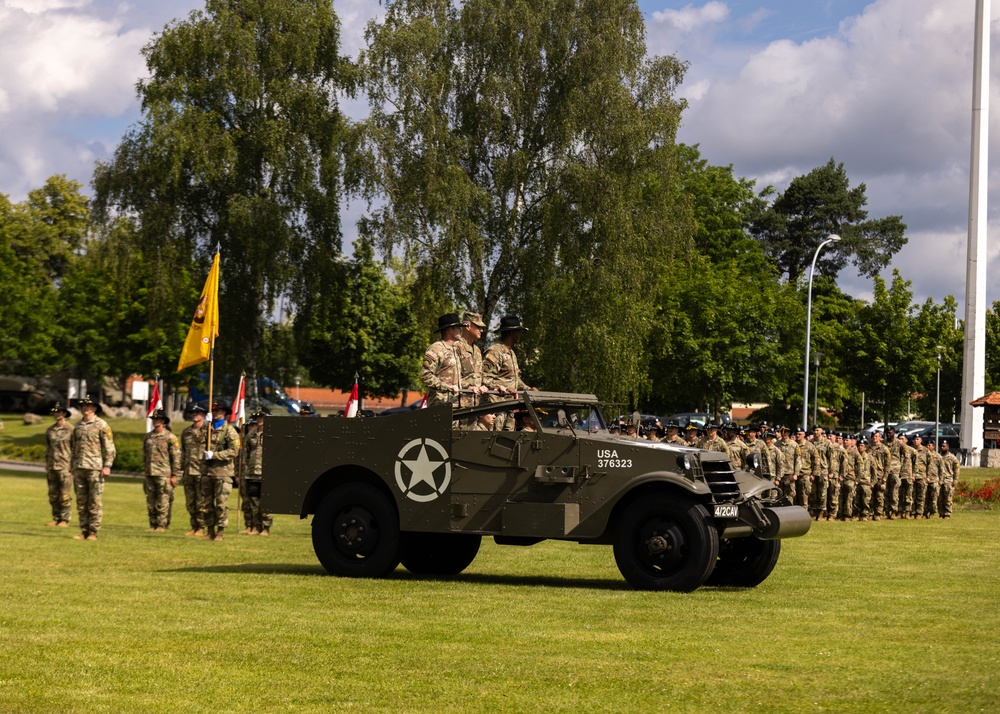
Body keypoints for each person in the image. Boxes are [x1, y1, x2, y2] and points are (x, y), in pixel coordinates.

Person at [70, 396, 116, 540]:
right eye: (83, 405)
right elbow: (74, 447)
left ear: (94, 408)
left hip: (95, 468)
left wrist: (107, 466)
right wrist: (72, 464)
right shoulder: (77, 426)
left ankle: (93, 532)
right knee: (81, 502)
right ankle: (84, 530)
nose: (85, 408)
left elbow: (110, 448)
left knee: (94, 501)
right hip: (79, 467)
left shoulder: (101, 425)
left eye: (89, 406)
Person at [483, 315, 536, 431]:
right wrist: (498, 387)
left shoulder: (511, 353)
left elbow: (515, 379)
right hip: (497, 407)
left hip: (510, 407)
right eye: (518, 332)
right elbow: (483, 376)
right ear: (512, 333)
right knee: (495, 440)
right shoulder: (496, 352)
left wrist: (528, 388)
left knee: (507, 443)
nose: (520, 335)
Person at [199, 401, 242, 541]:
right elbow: (196, 439)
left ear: (224, 413)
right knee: (206, 504)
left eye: (218, 410)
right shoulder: (208, 428)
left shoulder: (229, 430)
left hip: (223, 472)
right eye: (213, 411)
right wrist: (205, 424)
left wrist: (215, 455)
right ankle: (210, 531)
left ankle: (220, 533)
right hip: (207, 471)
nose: (215, 413)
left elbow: (234, 451)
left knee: (221, 504)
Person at [143, 409, 181, 532]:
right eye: (154, 419)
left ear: (163, 421)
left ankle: (161, 525)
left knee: (163, 500)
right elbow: (145, 455)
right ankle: (152, 524)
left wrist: (175, 475)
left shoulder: (170, 438)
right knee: (151, 500)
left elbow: (176, 457)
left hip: (164, 474)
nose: (155, 421)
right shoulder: (148, 437)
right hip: (150, 473)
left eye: (158, 419)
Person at [421, 313, 465, 414]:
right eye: (458, 328)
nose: (461, 331)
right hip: (439, 405)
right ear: (450, 330)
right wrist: (447, 387)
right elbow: (425, 376)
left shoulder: (455, 350)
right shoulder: (436, 349)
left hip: (454, 405)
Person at [241, 407, 272, 535]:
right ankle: (256, 526)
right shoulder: (251, 435)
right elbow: (246, 454)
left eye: (262, 417)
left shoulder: (273, 434)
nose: (259, 420)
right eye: (258, 417)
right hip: (252, 473)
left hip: (267, 473)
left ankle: (266, 528)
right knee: (254, 502)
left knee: (266, 502)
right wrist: (246, 468)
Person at [180, 405, 208, 536]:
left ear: (203, 415)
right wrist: (180, 470)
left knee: (201, 502)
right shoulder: (186, 432)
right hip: (189, 471)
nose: (195, 415)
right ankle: (194, 526)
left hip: (201, 471)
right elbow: (183, 452)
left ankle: (201, 527)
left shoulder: (208, 431)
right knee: (190, 502)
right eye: (193, 412)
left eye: (198, 413)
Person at [44, 402, 74, 527]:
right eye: (55, 412)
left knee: (65, 494)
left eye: (60, 412)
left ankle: (65, 519)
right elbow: (48, 447)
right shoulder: (50, 430)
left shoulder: (71, 429)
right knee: (53, 494)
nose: (57, 414)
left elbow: (76, 448)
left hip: (65, 465)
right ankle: (56, 518)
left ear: (64, 414)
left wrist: (73, 464)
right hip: (52, 466)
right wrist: (46, 462)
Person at [457, 312, 489, 425]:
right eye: (478, 326)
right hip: (459, 407)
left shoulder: (477, 350)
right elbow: (448, 377)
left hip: (475, 406)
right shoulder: (456, 347)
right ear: (467, 326)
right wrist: (467, 386)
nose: (481, 330)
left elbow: (480, 375)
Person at [939, 441, 959, 518]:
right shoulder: (939, 456)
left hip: (948, 480)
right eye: (941, 446)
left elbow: (956, 469)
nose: (942, 448)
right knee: (940, 499)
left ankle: (947, 514)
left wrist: (955, 480)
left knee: (948, 498)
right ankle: (941, 513)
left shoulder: (952, 458)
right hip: (940, 480)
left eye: (944, 446)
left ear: (948, 447)